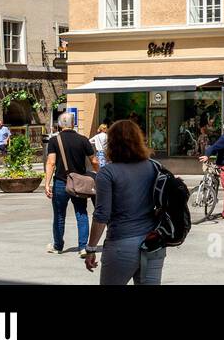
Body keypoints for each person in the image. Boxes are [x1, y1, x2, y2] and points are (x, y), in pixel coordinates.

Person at [84, 119, 166, 285]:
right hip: (153, 242)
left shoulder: (107, 173)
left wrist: (91, 248)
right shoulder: (154, 167)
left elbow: (102, 215)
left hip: (121, 244)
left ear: (111, 143)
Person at [43, 112, 97, 256]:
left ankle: (58, 246)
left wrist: (47, 183)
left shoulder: (55, 140)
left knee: (59, 215)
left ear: (60, 125)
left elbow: (51, 162)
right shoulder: (83, 140)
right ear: (73, 124)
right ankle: (83, 247)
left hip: (61, 182)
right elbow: (94, 161)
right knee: (81, 213)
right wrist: (101, 174)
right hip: (79, 183)